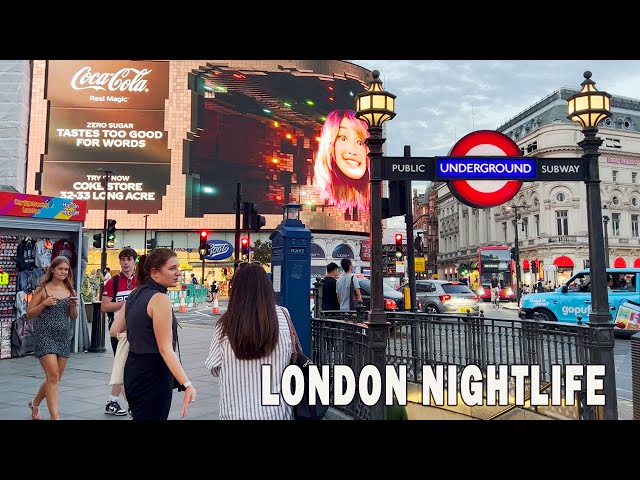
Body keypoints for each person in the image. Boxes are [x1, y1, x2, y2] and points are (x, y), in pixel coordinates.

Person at [110, 248, 196, 420]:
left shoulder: (135, 294)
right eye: (172, 268)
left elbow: (114, 331)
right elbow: (165, 349)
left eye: (177, 268)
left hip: (133, 370)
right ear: (155, 273)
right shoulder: (160, 299)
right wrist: (187, 384)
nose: (178, 273)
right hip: (154, 373)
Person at [205, 262, 293, 419]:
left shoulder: (226, 324)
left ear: (236, 290)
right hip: (277, 413)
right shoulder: (284, 316)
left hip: (234, 413)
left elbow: (214, 367)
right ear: (267, 289)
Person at [26, 256, 78, 420]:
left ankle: (34, 403)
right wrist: (44, 304)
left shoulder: (70, 290)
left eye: (66, 269)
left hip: (63, 337)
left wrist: (74, 306)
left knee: (54, 378)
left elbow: (74, 317)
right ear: (53, 270)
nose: (64, 272)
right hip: (45, 336)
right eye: (60, 269)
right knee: (53, 376)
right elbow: (28, 314)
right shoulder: (42, 289)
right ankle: (55, 417)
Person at [101, 247, 137, 416]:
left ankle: (112, 401)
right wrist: (126, 303)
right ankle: (131, 405)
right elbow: (105, 306)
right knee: (124, 367)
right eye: (123, 259)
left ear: (134, 261)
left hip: (136, 331)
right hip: (118, 331)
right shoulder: (113, 282)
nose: (126, 262)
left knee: (123, 367)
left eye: (129, 259)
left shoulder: (140, 282)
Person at [314, 109, 370, 212]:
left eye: (360, 142)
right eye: (343, 138)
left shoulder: (373, 196)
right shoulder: (318, 194)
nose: (353, 151)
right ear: (330, 145)